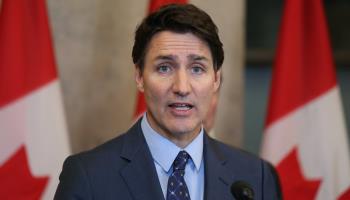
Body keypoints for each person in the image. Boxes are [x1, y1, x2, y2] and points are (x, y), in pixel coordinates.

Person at [55, 4, 280, 200]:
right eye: (164, 68)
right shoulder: (89, 176)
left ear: (216, 79)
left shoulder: (255, 178)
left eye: (197, 69)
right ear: (139, 77)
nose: (182, 87)